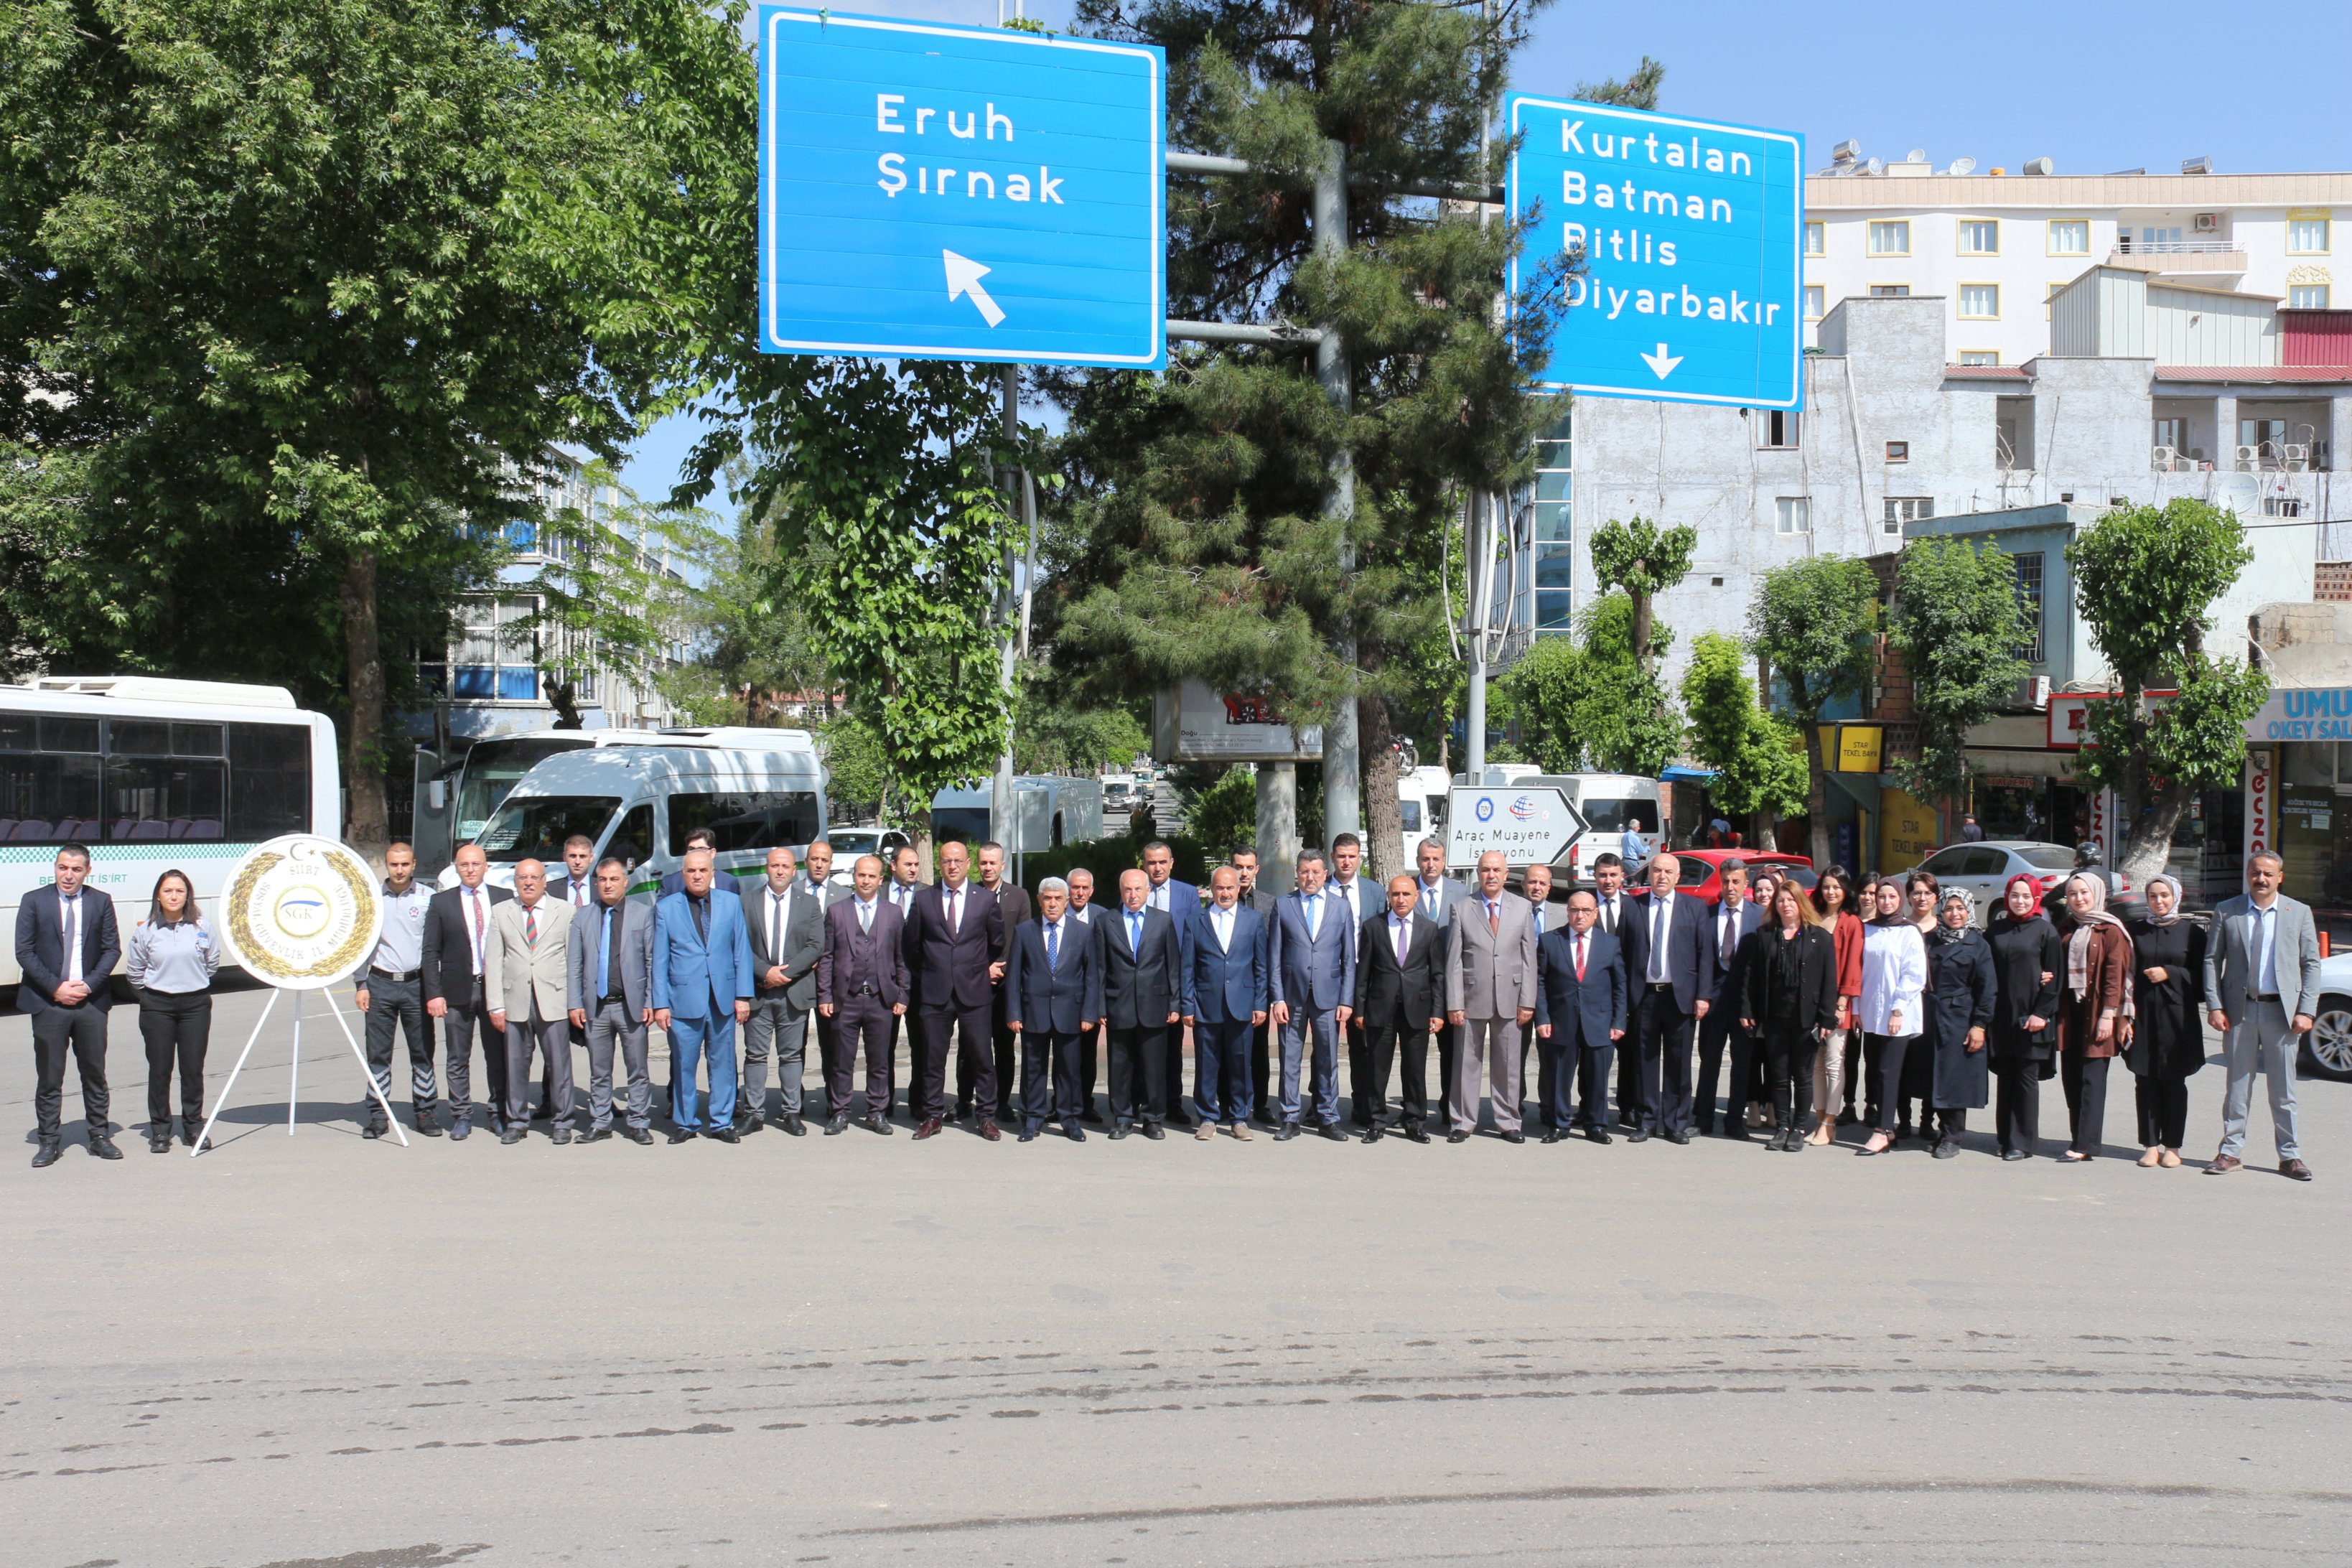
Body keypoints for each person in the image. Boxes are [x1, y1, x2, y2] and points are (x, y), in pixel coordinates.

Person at [2202, 851, 2317, 1181]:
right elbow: (2212, 960)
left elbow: (2311, 963)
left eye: (2269, 874)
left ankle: (2290, 1156)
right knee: (2238, 1087)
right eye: (2256, 873)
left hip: (2282, 1014)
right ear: (2248, 875)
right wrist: (2215, 1005)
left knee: (2284, 1091)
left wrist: (2306, 1009)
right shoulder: (2228, 911)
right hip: (2239, 1012)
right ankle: (2231, 1151)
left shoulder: (2299, 913)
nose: (2262, 879)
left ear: (2280, 877)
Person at [18, 844, 121, 1165]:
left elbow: (111, 950)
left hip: (91, 1003)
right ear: (55, 868)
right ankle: (49, 1141)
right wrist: (56, 988)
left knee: (94, 1073)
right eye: (63, 868)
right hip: (49, 1003)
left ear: (87, 871)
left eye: (76, 869)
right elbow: (24, 951)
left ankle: (99, 1137)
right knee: (50, 1076)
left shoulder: (100, 901)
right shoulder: (34, 901)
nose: (68, 875)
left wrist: (88, 985)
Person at [902, 839, 1004, 1142]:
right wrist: (932, 972)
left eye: (958, 860)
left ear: (969, 864)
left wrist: (973, 968)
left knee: (982, 1058)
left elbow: (996, 941)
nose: (953, 866)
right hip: (935, 993)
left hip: (974, 992)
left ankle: (986, 1116)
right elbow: (911, 946)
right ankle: (933, 1115)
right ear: (940, 863)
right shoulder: (924, 899)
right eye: (947, 861)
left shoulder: (984, 900)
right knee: (933, 1059)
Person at [651, 849, 755, 1144]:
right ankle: (686, 1122)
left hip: (722, 997)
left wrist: (743, 996)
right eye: (691, 871)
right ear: (682, 874)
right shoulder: (667, 908)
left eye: (702, 871)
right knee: (684, 1063)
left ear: (712, 873)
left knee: (723, 1063)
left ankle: (722, 1122)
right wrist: (660, 1004)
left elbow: (741, 952)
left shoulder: (731, 903)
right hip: (683, 999)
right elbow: (659, 960)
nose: (697, 875)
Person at [420, 841, 513, 1140]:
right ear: (456, 868)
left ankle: (498, 1111)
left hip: (494, 989)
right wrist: (434, 993)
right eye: (464, 865)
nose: (470, 870)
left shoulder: (503, 899)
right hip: (456, 989)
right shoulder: (442, 902)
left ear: (486, 867)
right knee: (457, 1056)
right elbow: (430, 951)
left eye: (476, 864)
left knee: (497, 1054)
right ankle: (461, 1114)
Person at [1445, 851, 1539, 1144]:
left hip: (1511, 997)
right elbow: (1454, 961)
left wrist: (1528, 1001)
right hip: (1472, 998)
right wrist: (1455, 1003)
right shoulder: (1461, 908)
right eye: (1486, 870)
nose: (1491, 875)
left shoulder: (1522, 908)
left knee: (1508, 1064)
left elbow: (1528, 959)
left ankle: (1508, 1121)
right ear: (1478, 873)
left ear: (1507, 874)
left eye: (1497, 870)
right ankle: (1462, 1121)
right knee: (1466, 1063)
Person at [1737, 882, 1838, 1152]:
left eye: (1791, 900)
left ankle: (1800, 1128)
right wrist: (1747, 1010)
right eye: (1781, 901)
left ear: (1800, 904)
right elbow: (1751, 977)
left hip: (1807, 1018)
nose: (1786, 905)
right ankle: (1782, 1126)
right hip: (1774, 1017)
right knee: (1779, 1076)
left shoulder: (1820, 937)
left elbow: (1830, 981)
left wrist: (1827, 1019)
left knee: (1803, 1076)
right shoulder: (1765, 935)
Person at [126, 868, 219, 1154]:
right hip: (158, 1006)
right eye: (168, 891)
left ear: (188, 894)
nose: (174, 896)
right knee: (160, 1069)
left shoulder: (203, 926)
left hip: (195, 1005)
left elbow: (211, 962)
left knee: (192, 1069)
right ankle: (161, 1130)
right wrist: (154, 993)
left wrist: (191, 983)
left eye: (180, 891)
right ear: (158, 895)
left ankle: (193, 1127)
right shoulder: (146, 930)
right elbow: (134, 970)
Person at [485, 859, 577, 1144]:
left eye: (534, 877)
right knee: (516, 1065)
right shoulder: (502, 912)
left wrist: (574, 1001)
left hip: (554, 999)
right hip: (515, 1000)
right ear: (515, 882)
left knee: (559, 1065)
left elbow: (572, 959)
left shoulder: (565, 911)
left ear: (544, 881)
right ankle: (517, 1120)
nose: (528, 882)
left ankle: (562, 1121)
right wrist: (495, 1005)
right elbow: (494, 960)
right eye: (522, 877)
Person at [1625, 851, 1715, 1144]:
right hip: (1645, 996)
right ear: (1649, 875)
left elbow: (1705, 956)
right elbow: (1623, 954)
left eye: (1668, 872)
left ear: (1678, 878)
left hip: (1681, 997)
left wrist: (1703, 995)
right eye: (1656, 870)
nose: (1661, 876)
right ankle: (1646, 1120)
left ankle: (1676, 1122)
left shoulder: (1695, 908)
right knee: (1644, 1061)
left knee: (1679, 1063)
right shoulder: (1634, 907)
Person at [816, 854, 908, 1136]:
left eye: (872, 876)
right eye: (861, 875)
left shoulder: (893, 913)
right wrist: (824, 996)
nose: (866, 880)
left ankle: (877, 1111)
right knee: (841, 1060)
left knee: (879, 1059)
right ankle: (840, 1111)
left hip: (881, 999)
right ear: (854, 878)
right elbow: (827, 957)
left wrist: (903, 994)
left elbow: (901, 958)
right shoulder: (836, 911)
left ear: (881, 880)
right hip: (846, 998)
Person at [1004, 877, 1102, 1141]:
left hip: (1071, 1012)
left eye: (1058, 898)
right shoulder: (1025, 931)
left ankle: (1070, 1119)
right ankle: (1032, 1119)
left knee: (1069, 1069)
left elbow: (1092, 976)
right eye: (1047, 898)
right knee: (1033, 1068)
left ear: (1067, 901)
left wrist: (1089, 1014)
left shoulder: (1082, 932)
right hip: (1033, 1011)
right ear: (1039, 901)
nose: (1052, 903)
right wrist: (1013, 1013)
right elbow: (1013, 976)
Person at [566, 856, 656, 1143]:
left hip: (631, 1006)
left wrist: (651, 1000)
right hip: (597, 1006)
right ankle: (601, 1121)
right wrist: (574, 1003)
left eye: (614, 879)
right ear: (596, 883)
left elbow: (652, 960)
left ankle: (639, 1122)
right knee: (599, 1070)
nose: (608, 885)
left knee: (638, 1069)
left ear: (626, 882)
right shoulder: (583, 916)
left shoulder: (642, 914)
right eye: (602, 879)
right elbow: (574, 964)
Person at [1269, 848, 1355, 1141]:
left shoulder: (1341, 908)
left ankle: (1328, 1117)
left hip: (1328, 996)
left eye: (1316, 872)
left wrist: (1346, 1000)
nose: (1310, 877)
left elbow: (1348, 958)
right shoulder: (1284, 905)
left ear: (1325, 874)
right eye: (1304, 871)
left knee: (1328, 1058)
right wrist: (1277, 998)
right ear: (1297, 873)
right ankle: (1290, 1117)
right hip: (1292, 996)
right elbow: (1275, 957)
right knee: (1289, 1058)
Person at [1353, 874, 1446, 1143]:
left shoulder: (1429, 929)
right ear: (1388, 897)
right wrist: (1360, 1009)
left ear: (1416, 897)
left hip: (1417, 1008)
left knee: (1415, 1069)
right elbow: (1364, 973)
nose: (1401, 899)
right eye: (1395, 894)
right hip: (1381, 1008)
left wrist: (1437, 1012)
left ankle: (1415, 1121)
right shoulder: (1373, 927)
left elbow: (1437, 974)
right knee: (1377, 1068)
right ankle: (1377, 1120)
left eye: (1406, 894)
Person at [740, 846, 823, 1137]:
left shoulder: (809, 904)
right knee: (755, 1055)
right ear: (767, 868)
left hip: (793, 991)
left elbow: (815, 946)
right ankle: (753, 1113)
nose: (779, 871)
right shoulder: (747, 901)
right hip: (758, 991)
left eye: (785, 866)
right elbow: (740, 945)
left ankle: (791, 1112)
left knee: (791, 1056)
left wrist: (783, 975)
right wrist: (766, 972)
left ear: (794, 870)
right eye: (774, 865)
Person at [1533, 889, 1628, 1144]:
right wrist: (1542, 1018)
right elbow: (1539, 982)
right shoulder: (1551, 940)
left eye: (1586, 910)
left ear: (1595, 914)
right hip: (1561, 1021)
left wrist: (1619, 1021)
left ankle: (1596, 1125)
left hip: (1600, 1022)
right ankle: (1559, 1124)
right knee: (1559, 1078)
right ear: (1568, 912)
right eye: (1575, 910)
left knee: (1597, 1078)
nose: (1580, 915)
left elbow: (1620, 986)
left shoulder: (1610, 943)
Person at [354, 841, 435, 1138]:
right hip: (380, 984)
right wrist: (361, 984)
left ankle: (425, 1111)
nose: (399, 870)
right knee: (377, 1054)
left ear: (414, 864)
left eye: (404, 864)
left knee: (422, 1051)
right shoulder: (371, 898)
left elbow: (435, 945)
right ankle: (378, 1114)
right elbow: (360, 945)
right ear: (386, 866)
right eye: (393, 864)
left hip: (417, 984)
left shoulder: (430, 898)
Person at [2125, 874, 2206, 1170]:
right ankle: (2150, 1145)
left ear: (2176, 897)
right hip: (2143, 1014)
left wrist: (2171, 972)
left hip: (2177, 1017)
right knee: (2144, 1079)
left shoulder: (2192, 933)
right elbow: (2126, 971)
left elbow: (2203, 979)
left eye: (2165, 896)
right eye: (2153, 896)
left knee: (2174, 1081)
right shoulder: (2135, 931)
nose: (2159, 902)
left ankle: (2173, 1146)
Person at [1183, 866, 1268, 1140]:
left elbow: (1260, 967)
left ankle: (1240, 1118)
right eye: (1220, 888)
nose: (1225, 893)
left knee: (1241, 1064)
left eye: (1230, 888)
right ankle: (1207, 1117)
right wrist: (1187, 1005)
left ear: (1238, 889)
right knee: (1207, 1064)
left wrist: (1260, 1003)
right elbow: (1188, 967)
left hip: (1242, 1004)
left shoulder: (1253, 920)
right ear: (1212, 889)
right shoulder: (1196, 920)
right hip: (1206, 1004)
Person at [2055, 872, 2133, 1163]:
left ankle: (2086, 1144)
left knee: (2092, 1079)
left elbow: (2116, 976)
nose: (2079, 899)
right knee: (2072, 1078)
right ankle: (2078, 1137)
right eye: (2073, 894)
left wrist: (2109, 1015)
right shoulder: (2065, 927)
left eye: (2084, 893)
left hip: (2098, 1011)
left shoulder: (2111, 930)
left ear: (2097, 894)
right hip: (2069, 1012)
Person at [1100, 869, 1183, 1139]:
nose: (1133, 895)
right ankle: (1123, 1116)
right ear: (1120, 891)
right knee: (1120, 1066)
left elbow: (1173, 965)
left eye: (1138, 889)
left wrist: (1175, 1002)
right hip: (1118, 1004)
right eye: (1128, 890)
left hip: (1155, 1003)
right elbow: (1100, 968)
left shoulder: (1163, 921)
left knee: (1153, 1066)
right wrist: (1100, 1006)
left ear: (1148, 891)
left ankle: (1152, 1118)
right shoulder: (1106, 921)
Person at [1986, 874, 2063, 1162]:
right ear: (2007, 897)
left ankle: (2023, 1141)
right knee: (2005, 1078)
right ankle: (2005, 1136)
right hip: (2002, 1018)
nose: (2020, 901)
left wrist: (2041, 1013)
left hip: (2033, 1018)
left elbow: (2055, 978)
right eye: (2015, 895)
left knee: (2025, 1080)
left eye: (2026, 896)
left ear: (2036, 899)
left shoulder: (2046, 932)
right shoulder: (1995, 930)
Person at [1922, 890, 1997, 1159]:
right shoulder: (1931, 940)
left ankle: (1954, 1136)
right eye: (1949, 908)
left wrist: (1979, 1025)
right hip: (1931, 1015)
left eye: (1960, 908)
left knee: (1955, 1078)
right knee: (1936, 1076)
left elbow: (1987, 989)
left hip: (1960, 1018)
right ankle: (1942, 1130)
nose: (1955, 914)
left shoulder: (1977, 944)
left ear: (1969, 911)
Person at [1856, 877, 1928, 1157]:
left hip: (1899, 1014)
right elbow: (1859, 972)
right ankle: (1887, 1127)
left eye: (1891, 898)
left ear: (1901, 900)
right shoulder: (1867, 930)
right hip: (1871, 1012)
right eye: (1881, 897)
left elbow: (1914, 975)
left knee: (1888, 1071)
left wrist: (1898, 1009)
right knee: (1875, 1070)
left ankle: (1884, 1129)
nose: (1886, 902)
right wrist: (1857, 1010)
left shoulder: (1909, 932)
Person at [1694, 859, 1762, 1139]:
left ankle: (1735, 1120)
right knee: (1709, 1061)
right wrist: (1702, 996)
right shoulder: (1707, 915)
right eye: (1726, 881)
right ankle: (1703, 1119)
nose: (1730, 887)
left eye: (1736, 881)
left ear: (1746, 884)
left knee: (1742, 1062)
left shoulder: (1760, 916)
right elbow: (1701, 960)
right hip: (1713, 1000)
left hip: (1746, 1002)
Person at [1140, 840, 1200, 1126]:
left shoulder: (1187, 894)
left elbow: (1193, 939)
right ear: (1144, 865)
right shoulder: (1135, 889)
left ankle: (1173, 1103)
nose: (1157, 867)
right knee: (1141, 1045)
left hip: (1173, 981)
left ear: (1171, 863)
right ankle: (1143, 1100)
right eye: (1152, 862)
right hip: (1140, 984)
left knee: (1172, 1048)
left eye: (1162, 862)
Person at [974, 842, 1031, 1128]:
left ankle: (1002, 1102)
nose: (987, 868)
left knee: (1005, 1047)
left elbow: (1023, 939)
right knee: (972, 1047)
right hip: (973, 982)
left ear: (1002, 865)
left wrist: (1001, 968)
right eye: (983, 863)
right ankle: (964, 1100)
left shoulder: (1018, 897)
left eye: (992, 863)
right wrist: (983, 968)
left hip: (1006, 984)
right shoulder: (969, 894)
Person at [1412, 838, 1469, 1126]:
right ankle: (1415, 1110)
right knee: (1414, 1053)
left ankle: (1449, 1106)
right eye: (1425, 859)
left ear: (1444, 861)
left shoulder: (1461, 893)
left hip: (1449, 987)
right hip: (1415, 987)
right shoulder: (1407, 890)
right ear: (1418, 860)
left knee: (1451, 1052)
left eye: (1435, 859)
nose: (1430, 864)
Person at [1809, 867, 1866, 1144]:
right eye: (1827, 887)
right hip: (1812, 1001)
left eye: (1837, 887)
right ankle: (1820, 1122)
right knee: (1816, 1066)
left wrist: (1843, 1002)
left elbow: (1854, 965)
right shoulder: (1814, 917)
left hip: (1837, 1003)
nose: (1831, 892)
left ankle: (1830, 1123)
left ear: (1846, 890)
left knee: (1834, 1063)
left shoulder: (1851, 922)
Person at [1896, 870, 1943, 1137]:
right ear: (1909, 896)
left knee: (1929, 1064)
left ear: (1935, 897)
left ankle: (1927, 1121)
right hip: (1903, 1005)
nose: (1922, 898)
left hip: (1932, 1007)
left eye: (1927, 893)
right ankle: (1904, 1121)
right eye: (1916, 893)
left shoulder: (1944, 929)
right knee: (1902, 1062)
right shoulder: (1900, 927)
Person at [1065, 866, 1107, 1123]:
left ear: (1091, 891)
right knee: (1062, 1054)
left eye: (1084, 888)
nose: (1079, 893)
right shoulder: (1056, 912)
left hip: (1090, 997)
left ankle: (1084, 1103)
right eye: (1075, 887)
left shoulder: (1103, 917)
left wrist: (1100, 1004)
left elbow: (1105, 964)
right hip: (1060, 998)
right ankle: (1061, 1102)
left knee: (1087, 1054)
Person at [657, 828, 719, 898]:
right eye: (691, 849)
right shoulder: (670, 883)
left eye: (701, 849)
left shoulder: (729, 882)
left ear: (713, 853)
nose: (695, 853)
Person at [555, 835, 597, 909]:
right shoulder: (551, 889)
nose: (577, 862)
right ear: (565, 857)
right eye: (573, 856)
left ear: (591, 858)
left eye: (582, 856)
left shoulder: (602, 888)